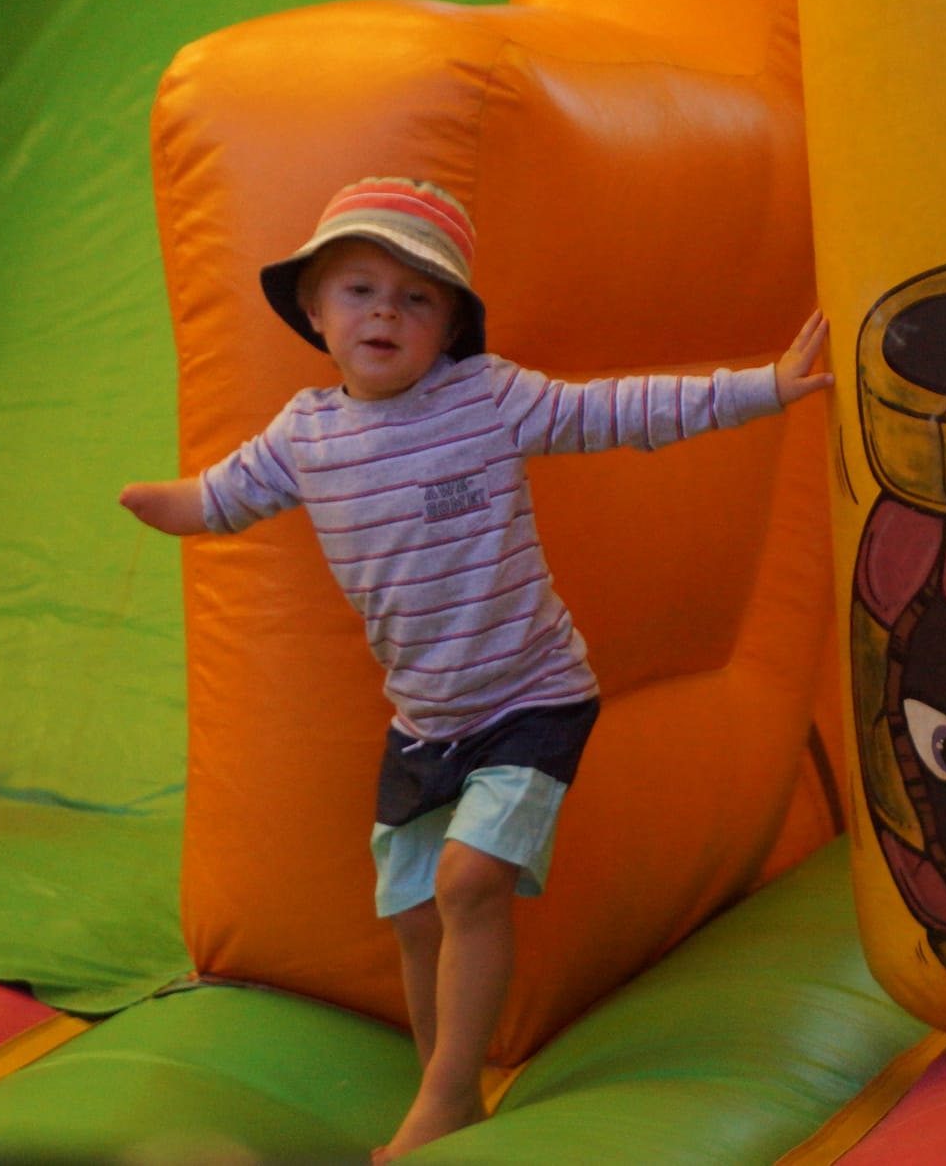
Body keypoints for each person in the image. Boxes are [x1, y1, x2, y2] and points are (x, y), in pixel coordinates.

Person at [118, 177, 833, 1162]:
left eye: (417, 297)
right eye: (360, 289)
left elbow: (612, 411)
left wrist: (761, 387)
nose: (385, 312)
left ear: (449, 324)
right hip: (424, 718)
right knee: (413, 912)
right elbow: (225, 497)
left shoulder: (484, 398)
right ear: (316, 313)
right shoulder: (306, 433)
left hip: (533, 695)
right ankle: (443, 1087)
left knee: (466, 881)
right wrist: (170, 502)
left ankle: (448, 1094)